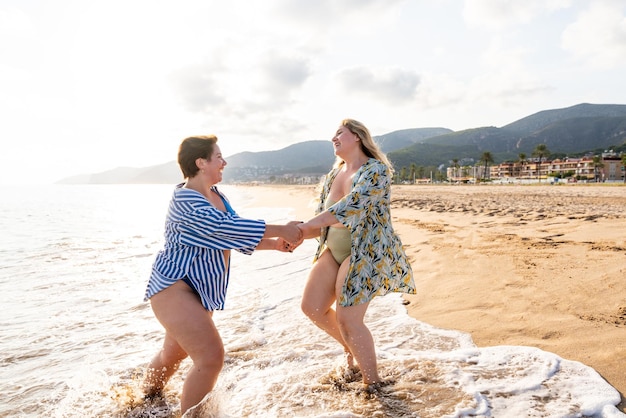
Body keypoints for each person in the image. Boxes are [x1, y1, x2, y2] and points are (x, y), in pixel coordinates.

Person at [142, 135, 302, 415]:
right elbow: (223, 227)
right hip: (174, 288)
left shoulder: (217, 196)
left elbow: (234, 235)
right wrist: (281, 229)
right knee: (211, 358)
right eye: (218, 157)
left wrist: (275, 244)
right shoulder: (186, 200)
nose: (224, 162)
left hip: (199, 292)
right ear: (201, 162)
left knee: (172, 355)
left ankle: (143, 400)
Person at [296, 119, 416, 388]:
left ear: (358, 137)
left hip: (365, 251)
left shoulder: (376, 170)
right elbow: (323, 220)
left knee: (348, 319)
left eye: (339, 132)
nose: (333, 138)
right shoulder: (332, 175)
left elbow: (348, 209)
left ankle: (372, 384)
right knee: (312, 307)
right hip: (333, 250)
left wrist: (304, 228)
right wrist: (298, 235)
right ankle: (352, 348)